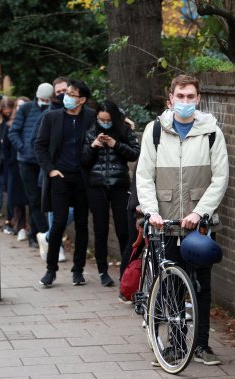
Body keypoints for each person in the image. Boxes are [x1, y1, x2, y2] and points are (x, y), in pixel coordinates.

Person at [136, 74, 228, 366]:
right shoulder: (154, 132)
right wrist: (151, 211)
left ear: (198, 98)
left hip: (199, 223)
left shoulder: (212, 132)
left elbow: (220, 178)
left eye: (191, 97)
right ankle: (175, 345)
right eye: (181, 96)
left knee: (201, 284)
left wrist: (199, 213)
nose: (186, 102)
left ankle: (200, 345)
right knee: (171, 283)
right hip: (165, 220)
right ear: (170, 99)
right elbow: (144, 176)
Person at [35, 80, 95, 287]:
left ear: (82, 100)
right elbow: (40, 145)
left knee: (81, 225)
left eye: (71, 94)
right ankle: (51, 270)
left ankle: (78, 270)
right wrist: (50, 170)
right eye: (66, 93)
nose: (66, 97)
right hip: (59, 178)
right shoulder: (52, 117)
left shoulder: (90, 117)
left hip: (82, 179)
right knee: (58, 223)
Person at [81, 100, 140, 287]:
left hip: (119, 185)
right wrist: (93, 146)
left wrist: (115, 144)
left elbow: (134, 154)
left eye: (107, 120)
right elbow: (83, 160)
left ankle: (126, 270)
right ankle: (102, 271)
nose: (104, 122)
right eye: (101, 119)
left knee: (124, 230)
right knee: (100, 230)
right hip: (96, 186)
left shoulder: (124, 130)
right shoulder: (90, 130)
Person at [9, 83, 53, 249]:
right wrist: (23, 148)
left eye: (47, 99)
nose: (44, 101)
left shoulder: (53, 109)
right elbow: (13, 132)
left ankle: (37, 234)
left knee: (42, 200)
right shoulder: (26, 109)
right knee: (34, 199)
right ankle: (39, 234)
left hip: (44, 162)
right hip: (26, 162)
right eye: (42, 99)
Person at [0, 97, 29, 236]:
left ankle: (32, 229)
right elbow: (5, 147)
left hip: (30, 165)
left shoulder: (33, 122)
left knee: (32, 198)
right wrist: (11, 163)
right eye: (18, 106)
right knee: (16, 198)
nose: (20, 108)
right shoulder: (9, 125)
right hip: (14, 166)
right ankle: (19, 225)